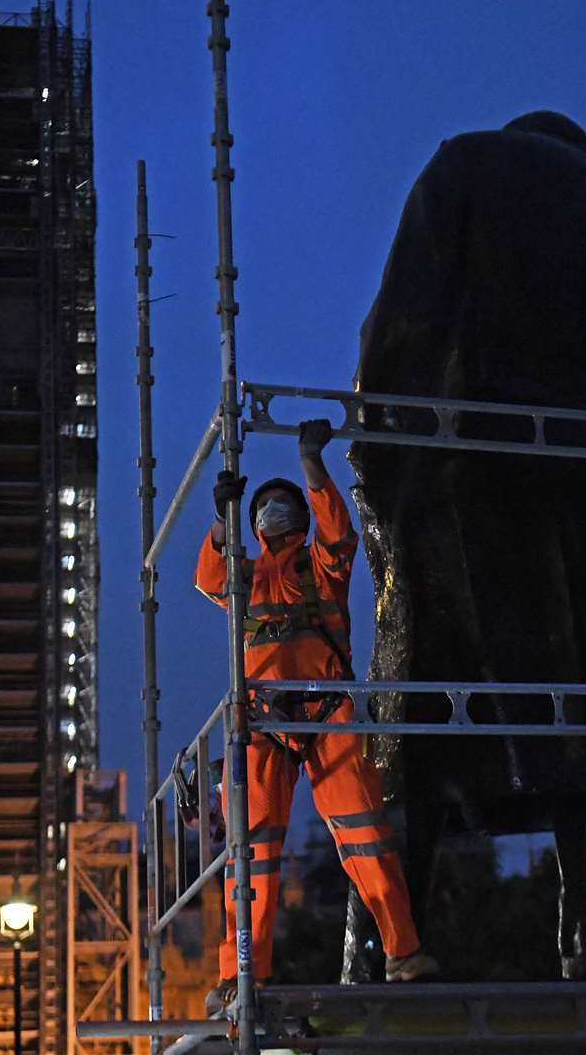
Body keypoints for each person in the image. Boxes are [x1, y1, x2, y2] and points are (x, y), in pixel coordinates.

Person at [195, 418, 437, 1013]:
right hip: (261, 723)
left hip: (327, 716)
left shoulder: (321, 565)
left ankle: (403, 953)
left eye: (283, 503)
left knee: (366, 836)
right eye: (264, 506)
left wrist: (311, 463)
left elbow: (339, 531)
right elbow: (209, 579)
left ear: (300, 517)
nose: (273, 511)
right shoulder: (246, 577)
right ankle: (241, 975)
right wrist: (221, 524)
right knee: (250, 852)